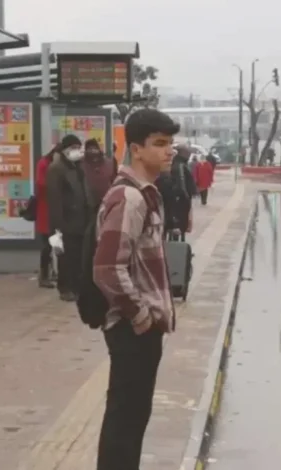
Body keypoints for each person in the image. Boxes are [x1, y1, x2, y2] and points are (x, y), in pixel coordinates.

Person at [92, 108, 180, 470]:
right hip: (133, 329)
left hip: (140, 327)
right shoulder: (130, 198)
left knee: (130, 417)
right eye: (159, 144)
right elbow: (108, 268)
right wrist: (141, 316)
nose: (169, 151)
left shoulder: (145, 194)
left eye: (170, 143)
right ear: (136, 149)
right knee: (125, 420)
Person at [46, 134, 87, 301]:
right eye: (74, 148)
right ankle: (65, 288)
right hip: (65, 220)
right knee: (65, 256)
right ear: (65, 149)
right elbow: (54, 199)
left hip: (79, 220)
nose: (77, 151)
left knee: (77, 256)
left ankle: (76, 288)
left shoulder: (77, 167)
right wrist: (58, 225)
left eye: (79, 148)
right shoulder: (56, 168)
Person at [34, 144, 61, 288]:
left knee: (56, 243)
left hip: (55, 209)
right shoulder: (44, 164)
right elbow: (40, 184)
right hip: (45, 209)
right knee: (46, 245)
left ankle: (52, 272)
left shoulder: (56, 165)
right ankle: (44, 275)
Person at [82, 138, 118, 209]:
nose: (92, 151)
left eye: (94, 148)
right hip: (88, 207)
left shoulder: (109, 163)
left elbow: (114, 181)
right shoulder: (81, 164)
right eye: (89, 149)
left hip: (106, 204)